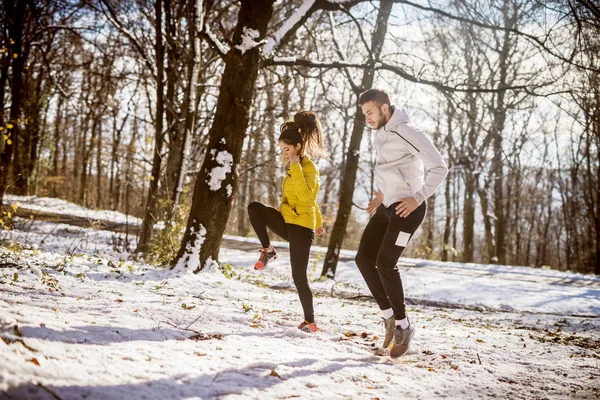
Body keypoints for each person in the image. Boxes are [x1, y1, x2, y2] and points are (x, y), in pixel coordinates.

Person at [356, 89, 448, 357]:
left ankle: (403, 326)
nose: (367, 119)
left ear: (385, 108)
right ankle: (388, 317)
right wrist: (384, 194)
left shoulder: (409, 131)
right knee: (363, 259)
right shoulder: (381, 133)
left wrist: (417, 197)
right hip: (386, 207)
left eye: (370, 113)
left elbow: (439, 167)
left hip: (408, 210)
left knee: (385, 263)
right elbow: (395, 169)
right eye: (364, 114)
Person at [247, 111, 326, 333]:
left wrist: (296, 167)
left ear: (298, 147)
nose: (284, 153)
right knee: (255, 208)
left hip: (301, 229)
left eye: (287, 149)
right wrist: (319, 220)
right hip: (287, 220)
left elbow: (307, 197)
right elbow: (306, 201)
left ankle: (310, 322)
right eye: (282, 150)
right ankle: (267, 250)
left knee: (298, 277)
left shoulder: (308, 168)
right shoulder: (294, 167)